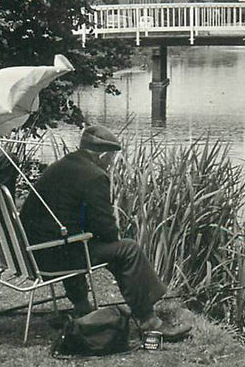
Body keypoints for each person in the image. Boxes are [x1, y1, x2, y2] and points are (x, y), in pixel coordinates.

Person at [19, 124, 189, 340]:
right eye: (112, 158)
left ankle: (82, 306)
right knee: (128, 250)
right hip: (54, 256)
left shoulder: (60, 166)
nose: (112, 163)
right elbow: (107, 230)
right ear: (104, 155)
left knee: (76, 239)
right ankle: (149, 321)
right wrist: (110, 228)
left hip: (33, 254)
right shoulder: (95, 176)